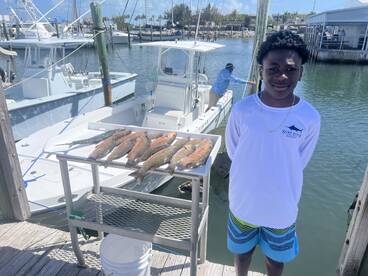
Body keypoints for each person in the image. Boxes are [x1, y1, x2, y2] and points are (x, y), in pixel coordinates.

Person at [225, 30, 321, 276]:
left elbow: (300, 160)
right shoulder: (241, 110)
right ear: (261, 71)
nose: (281, 76)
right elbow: (234, 151)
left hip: (282, 208)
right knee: (242, 254)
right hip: (243, 203)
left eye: (291, 69)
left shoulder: (310, 117)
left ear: (301, 72)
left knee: (276, 262)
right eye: (273, 68)